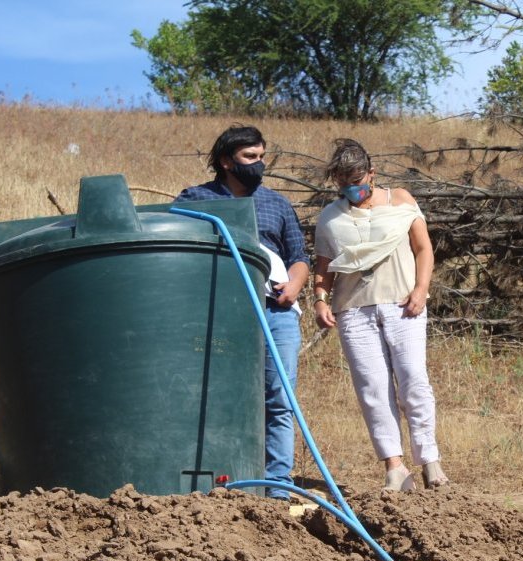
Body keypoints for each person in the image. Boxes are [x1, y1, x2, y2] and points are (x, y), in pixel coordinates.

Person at [175, 125, 311, 501]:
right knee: (217, 395)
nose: (258, 164)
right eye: (249, 157)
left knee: (279, 400)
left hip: (276, 313)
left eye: (261, 156)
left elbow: (299, 256)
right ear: (225, 160)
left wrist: (296, 285)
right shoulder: (196, 200)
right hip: (220, 313)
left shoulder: (277, 203)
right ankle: (219, 481)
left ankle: (277, 488)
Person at [311, 138, 448, 491]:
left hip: (404, 305)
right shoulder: (330, 217)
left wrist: (420, 289)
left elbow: (423, 248)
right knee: (373, 387)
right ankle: (395, 467)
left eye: (357, 181)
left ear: (371, 173)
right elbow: (324, 266)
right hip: (355, 310)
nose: (353, 189)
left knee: (413, 379)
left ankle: (430, 461)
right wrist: (321, 300)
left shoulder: (401, 200)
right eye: (344, 184)